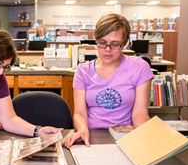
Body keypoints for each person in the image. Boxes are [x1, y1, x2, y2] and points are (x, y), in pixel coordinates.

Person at [64, 13, 154, 148]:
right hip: (91, 136)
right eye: (102, 43)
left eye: (115, 44)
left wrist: (147, 140)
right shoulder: (83, 71)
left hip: (126, 137)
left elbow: (140, 114)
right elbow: (80, 113)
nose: (107, 49)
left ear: (124, 44)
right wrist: (82, 130)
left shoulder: (139, 67)